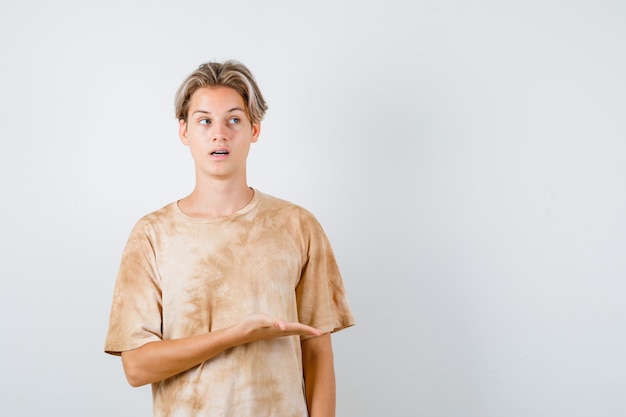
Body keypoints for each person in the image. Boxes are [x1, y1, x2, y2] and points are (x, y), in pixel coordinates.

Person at [104, 60, 355, 417]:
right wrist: (234, 335)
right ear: (184, 131)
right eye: (204, 120)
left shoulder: (297, 225)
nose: (219, 133)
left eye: (233, 120)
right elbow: (136, 367)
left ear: (254, 129)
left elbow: (317, 351)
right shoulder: (152, 235)